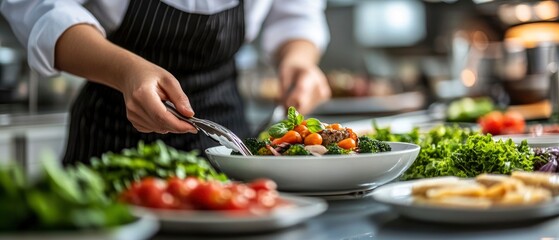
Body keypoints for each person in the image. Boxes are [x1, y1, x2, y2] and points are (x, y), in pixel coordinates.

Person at [0, 0, 331, 164]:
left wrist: (299, 62)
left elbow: (296, 14)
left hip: (228, 133)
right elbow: (40, 8)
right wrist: (125, 71)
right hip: (111, 142)